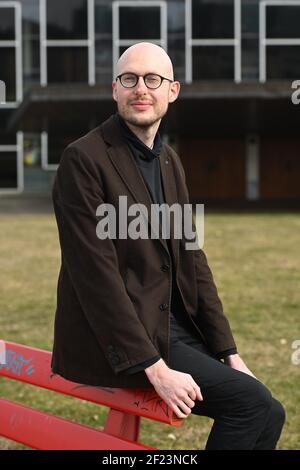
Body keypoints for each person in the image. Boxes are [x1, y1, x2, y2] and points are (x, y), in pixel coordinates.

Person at [51, 42, 285, 450]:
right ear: (115, 89)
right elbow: (96, 279)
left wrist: (229, 352)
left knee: (270, 409)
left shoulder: (169, 161)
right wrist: (155, 369)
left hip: (170, 330)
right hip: (119, 342)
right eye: (130, 79)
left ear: (172, 91)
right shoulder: (83, 160)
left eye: (152, 79)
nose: (141, 88)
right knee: (251, 406)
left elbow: (193, 260)